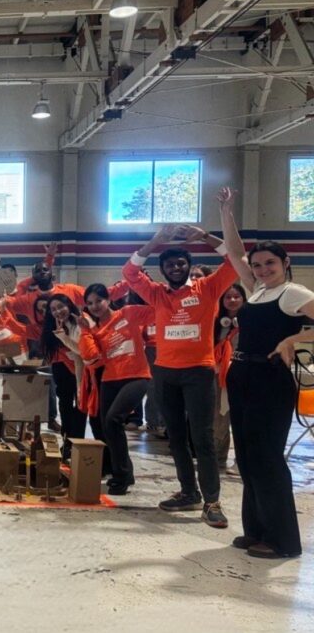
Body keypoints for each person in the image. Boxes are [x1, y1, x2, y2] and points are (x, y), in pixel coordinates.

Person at [122, 223, 236, 529]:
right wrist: (156, 241)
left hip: (199, 372)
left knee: (203, 438)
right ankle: (189, 492)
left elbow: (235, 262)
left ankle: (212, 501)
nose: (176, 267)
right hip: (165, 374)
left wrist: (207, 237)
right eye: (170, 264)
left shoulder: (208, 288)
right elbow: (131, 273)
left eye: (181, 263)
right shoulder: (157, 294)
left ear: (188, 267)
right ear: (162, 269)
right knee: (176, 438)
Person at [218, 187, 309, 558]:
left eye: (269, 263)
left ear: (285, 262)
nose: (261, 269)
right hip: (243, 377)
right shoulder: (256, 291)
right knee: (248, 457)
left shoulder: (292, 292)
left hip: (270, 380)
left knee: (267, 457)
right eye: (257, 265)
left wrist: (294, 340)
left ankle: (283, 540)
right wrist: (226, 210)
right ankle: (256, 530)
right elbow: (236, 251)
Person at [77, 283, 155, 495]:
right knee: (106, 426)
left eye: (98, 301)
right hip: (109, 379)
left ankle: (121, 476)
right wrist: (85, 330)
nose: (95, 306)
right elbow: (91, 356)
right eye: (90, 303)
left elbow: (159, 311)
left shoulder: (129, 313)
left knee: (113, 419)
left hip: (137, 377)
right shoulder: (94, 330)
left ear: (108, 299)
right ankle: (124, 472)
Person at [41, 293, 87, 460]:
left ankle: (78, 442)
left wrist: (63, 337)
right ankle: (67, 441)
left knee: (81, 406)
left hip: (82, 369)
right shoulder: (50, 326)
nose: (58, 311)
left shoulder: (81, 322)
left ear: (69, 305)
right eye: (53, 309)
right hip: (62, 368)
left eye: (60, 306)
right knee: (65, 406)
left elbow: (82, 353)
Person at [213, 283, 245, 474]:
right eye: (228, 297)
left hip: (242, 375)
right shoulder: (216, 323)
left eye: (236, 297)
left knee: (241, 420)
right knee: (218, 419)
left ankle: (241, 462)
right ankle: (218, 459)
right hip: (218, 375)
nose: (232, 300)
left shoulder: (251, 321)